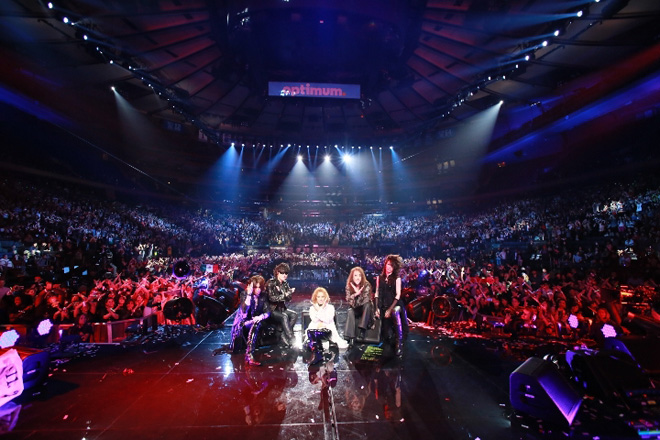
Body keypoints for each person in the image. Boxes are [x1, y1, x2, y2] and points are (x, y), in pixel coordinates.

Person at [228, 275, 271, 366]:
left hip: (257, 321)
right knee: (254, 324)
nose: (258, 290)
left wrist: (260, 317)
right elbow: (244, 312)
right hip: (243, 322)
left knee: (256, 324)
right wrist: (249, 295)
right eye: (255, 287)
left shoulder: (263, 296)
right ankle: (249, 354)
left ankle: (249, 354)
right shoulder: (244, 294)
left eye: (259, 287)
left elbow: (268, 312)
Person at [375, 254, 407, 358]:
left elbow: (398, 295)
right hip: (383, 304)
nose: (389, 267)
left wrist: (389, 309)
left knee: (394, 312)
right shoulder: (379, 278)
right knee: (386, 335)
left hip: (395, 304)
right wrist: (377, 307)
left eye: (391, 266)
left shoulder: (397, 279)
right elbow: (377, 293)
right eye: (388, 265)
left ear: (394, 267)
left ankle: (399, 343)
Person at [305, 287, 348, 364]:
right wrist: (321, 318)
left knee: (319, 334)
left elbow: (327, 319)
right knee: (311, 332)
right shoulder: (312, 308)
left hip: (327, 329)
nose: (320, 299)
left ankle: (318, 351)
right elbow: (314, 320)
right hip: (315, 328)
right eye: (318, 297)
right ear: (316, 298)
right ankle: (317, 354)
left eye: (322, 297)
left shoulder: (330, 308)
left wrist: (319, 309)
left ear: (325, 298)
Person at [266, 263, 297, 347]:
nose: (284, 275)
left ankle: (283, 334)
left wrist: (288, 293)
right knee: (284, 316)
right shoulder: (270, 283)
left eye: (286, 273)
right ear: (277, 272)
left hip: (281, 309)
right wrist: (285, 294)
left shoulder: (285, 284)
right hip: (271, 310)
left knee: (294, 315)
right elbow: (272, 298)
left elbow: (289, 299)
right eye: (282, 273)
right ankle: (291, 338)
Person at [344, 266, 374, 345]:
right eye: (355, 275)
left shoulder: (367, 285)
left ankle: (362, 330)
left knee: (367, 304)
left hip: (365, 309)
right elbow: (349, 301)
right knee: (350, 311)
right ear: (352, 277)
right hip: (355, 308)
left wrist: (359, 295)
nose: (357, 278)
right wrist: (356, 294)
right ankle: (351, 337)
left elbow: (366, 300)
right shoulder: (349, 286)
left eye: (359, 275)